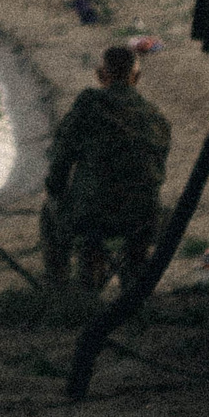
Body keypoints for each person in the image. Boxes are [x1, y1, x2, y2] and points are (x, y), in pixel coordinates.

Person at [40, 43, 173, 293]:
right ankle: (133, 274)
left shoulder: (89, 106)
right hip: (145, 216)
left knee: (51, 214)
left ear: (101, 76)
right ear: (137, 78)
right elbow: (157, 170)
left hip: (94, 215)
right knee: (128, 207)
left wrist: (55, 192)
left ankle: (58, 289)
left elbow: (60, 159)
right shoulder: (156, 117)